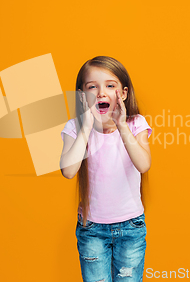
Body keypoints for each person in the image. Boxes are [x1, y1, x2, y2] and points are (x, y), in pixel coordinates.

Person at [60, 56, 152, 282]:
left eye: (110, 86)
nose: (101, 93)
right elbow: (69, 171)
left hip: (131, 228)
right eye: (93, 87)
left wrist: (121, 126)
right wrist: (87, 126)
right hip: (92, 231)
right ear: (83, 96)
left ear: (123, 94)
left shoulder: (135, 124)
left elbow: (144, 164)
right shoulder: (74, 128)